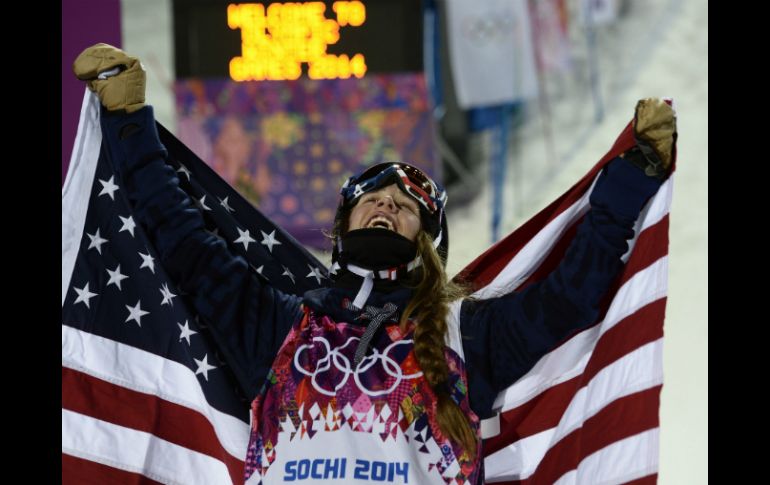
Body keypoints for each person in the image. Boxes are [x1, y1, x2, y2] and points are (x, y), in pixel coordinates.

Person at [73, 44, 674, 484]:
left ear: (427, 247)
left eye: (410, 206)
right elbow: (181, 240)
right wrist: (128, 121)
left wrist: (633, 177)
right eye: (372, 198)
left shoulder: (468, 337)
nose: (388, 202)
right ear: (340, 230)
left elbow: (572, 294)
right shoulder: (278, 326)